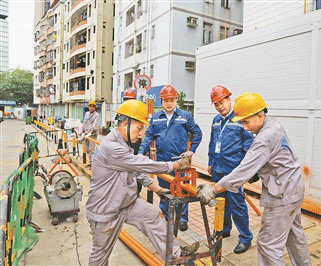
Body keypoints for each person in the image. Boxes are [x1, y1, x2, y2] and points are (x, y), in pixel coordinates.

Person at [198, 92, 312, 266]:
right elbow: (273, 158)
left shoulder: (263, 139)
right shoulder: (274, 124)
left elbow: (244, 170)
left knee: (268, 244)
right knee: (295, 237)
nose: (244, 127)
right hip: (294, 189)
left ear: (260, 115)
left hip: (282, 195)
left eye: (246, 121)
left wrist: (214, 189)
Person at [86, 100, 199, 266]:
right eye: (139, 128)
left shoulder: (124, 144)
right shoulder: (112, 147)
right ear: (125, 124)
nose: (141, 134)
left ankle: (175, 255)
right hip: (105, 211)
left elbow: (136, 171)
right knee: (100, 256)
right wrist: (174, 165)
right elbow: (142, 164)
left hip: (126, 205)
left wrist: (158, 189)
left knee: (152, 215)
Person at [138, 85, 202, 232]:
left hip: (181, 163)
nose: (169, 103)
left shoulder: (185, 116)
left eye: (172, 100)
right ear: (162, 100)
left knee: (183, 191)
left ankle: (182, 219)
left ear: (176, 100)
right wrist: (141, 152)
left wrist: (191, 151)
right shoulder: (156, 118)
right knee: (164, 191)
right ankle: (166, 217)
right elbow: (148, 137)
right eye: (166, 100)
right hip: (163, 163)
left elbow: (197, 133)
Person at [207, 85, 254, 254]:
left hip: (234, 170)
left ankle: (245, 237)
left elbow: (248, 146)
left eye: (222, 102)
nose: (220, 106)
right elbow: (212, 142)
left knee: (237, 204)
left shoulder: (241, 119)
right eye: (216, 104)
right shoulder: (216, 120)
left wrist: (245, 169)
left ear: (229, 99)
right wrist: (211, 161)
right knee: (221, 202)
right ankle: (224, 229)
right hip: (218, 169)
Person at [82, 100, 100, 166]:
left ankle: (93, 164)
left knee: (91, 149)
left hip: (92, 134)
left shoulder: (96, 115)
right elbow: (84, 123)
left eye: (93, 107)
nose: (91, 108)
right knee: (87, 149)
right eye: (90, 107)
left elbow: (95, 125)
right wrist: (83, 131)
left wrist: (90, 132)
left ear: (95, 108)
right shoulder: (86, 114)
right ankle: (90, 162)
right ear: (88, 107)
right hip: (86, 134)